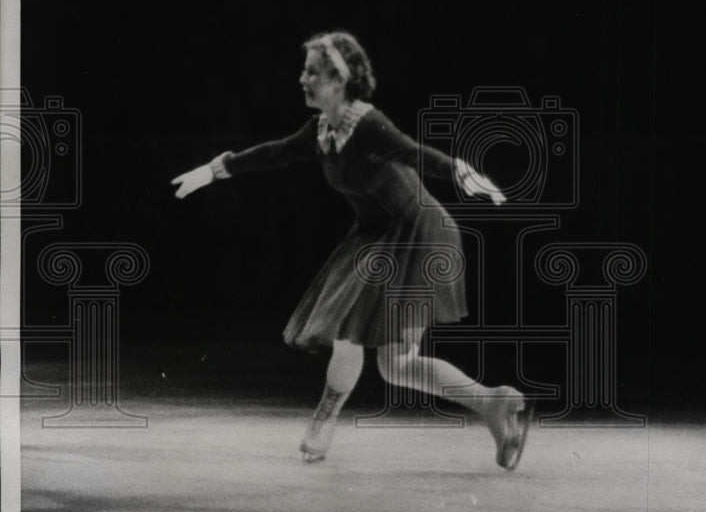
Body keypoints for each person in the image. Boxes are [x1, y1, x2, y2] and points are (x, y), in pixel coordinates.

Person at [172, 31, 531, 469]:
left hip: (418, 234)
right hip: (377, 235)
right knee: (395, 364)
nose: (303, 79)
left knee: (360, 340)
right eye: (305, 71)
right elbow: (277, 152)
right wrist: (214, 170)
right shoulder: (321, 129)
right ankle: (491, 403)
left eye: (313, 73)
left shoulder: (367, 124)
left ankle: (323, 426)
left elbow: (414, 153)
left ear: (340, 80)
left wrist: (463, 172)